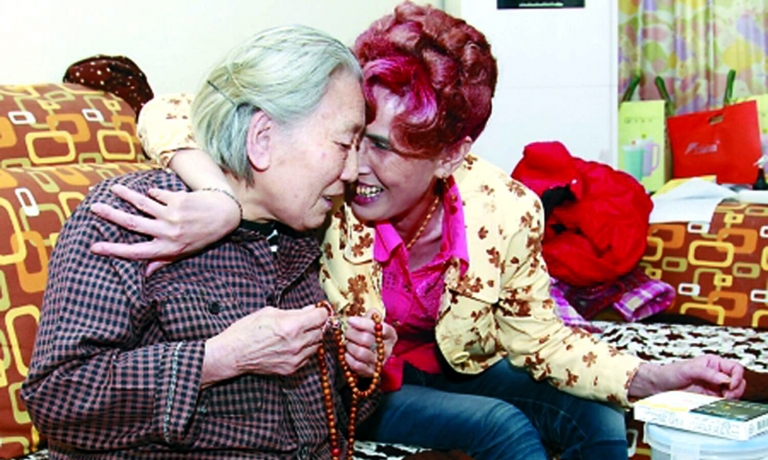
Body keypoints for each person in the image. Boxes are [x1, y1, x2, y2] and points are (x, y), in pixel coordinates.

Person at [89, 3, 746, 459]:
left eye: (384, 147)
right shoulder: (319, 186)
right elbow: (168, 110)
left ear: (450, 155)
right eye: (354, 135)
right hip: (364, 385)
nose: (356, 166)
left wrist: (653, 376)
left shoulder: (506, 210)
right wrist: (217, 199)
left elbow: (542, 339)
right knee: (503, 428)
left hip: (457, 365)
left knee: (596, 419)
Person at [22, 25, 398, 459]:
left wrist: (359, 370)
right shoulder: (134, 215)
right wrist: (220, 358)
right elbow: (58, 398)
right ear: (262, 138)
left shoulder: (309, 235)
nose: (352, 172)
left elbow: (327, 423)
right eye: (344, 144)